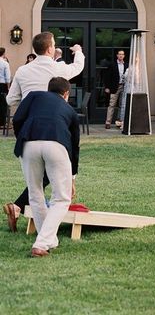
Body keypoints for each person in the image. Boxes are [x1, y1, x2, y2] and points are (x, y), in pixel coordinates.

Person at [3, 31, 84, 233]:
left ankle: (20, 208)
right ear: (50, 49)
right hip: (54, 127)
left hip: (28, 128)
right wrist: (79, 51)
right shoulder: (58, 68)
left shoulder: (22, 71)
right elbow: (78, 67)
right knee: (54, 180)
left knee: (37, 182)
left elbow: (10, 100)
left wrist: (26, 99)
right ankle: (30, 218)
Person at [13, 77, 80, 257]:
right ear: (66, 94)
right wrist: (72, 178)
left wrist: (22, 137)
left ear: (48, 89)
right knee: (61, 198)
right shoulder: (70, 111)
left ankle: (49, 240)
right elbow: (75, 148)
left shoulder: (34, 96)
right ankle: (42, 243)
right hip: (57, 145)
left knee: (35, 194)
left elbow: (18, 118)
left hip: (28, 144)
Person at [103, 50, 128, 129]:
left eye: (122, 54)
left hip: (124, 86)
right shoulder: (112, 65)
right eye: (119, 54)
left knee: (122, 105)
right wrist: (107, 87)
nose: (121, 56)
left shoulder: (127, 65)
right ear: (117, 55)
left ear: (124, 56)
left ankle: (120, 122)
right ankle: (108, 122)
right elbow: (107, 77)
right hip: (114, 87)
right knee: (112, 104)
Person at [0, 47, 11, 129]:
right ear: (3, 53)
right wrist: (8, 87)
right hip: (2, 85)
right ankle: (1, 123)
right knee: (2, 104)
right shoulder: (5, 63)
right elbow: (8, 77)